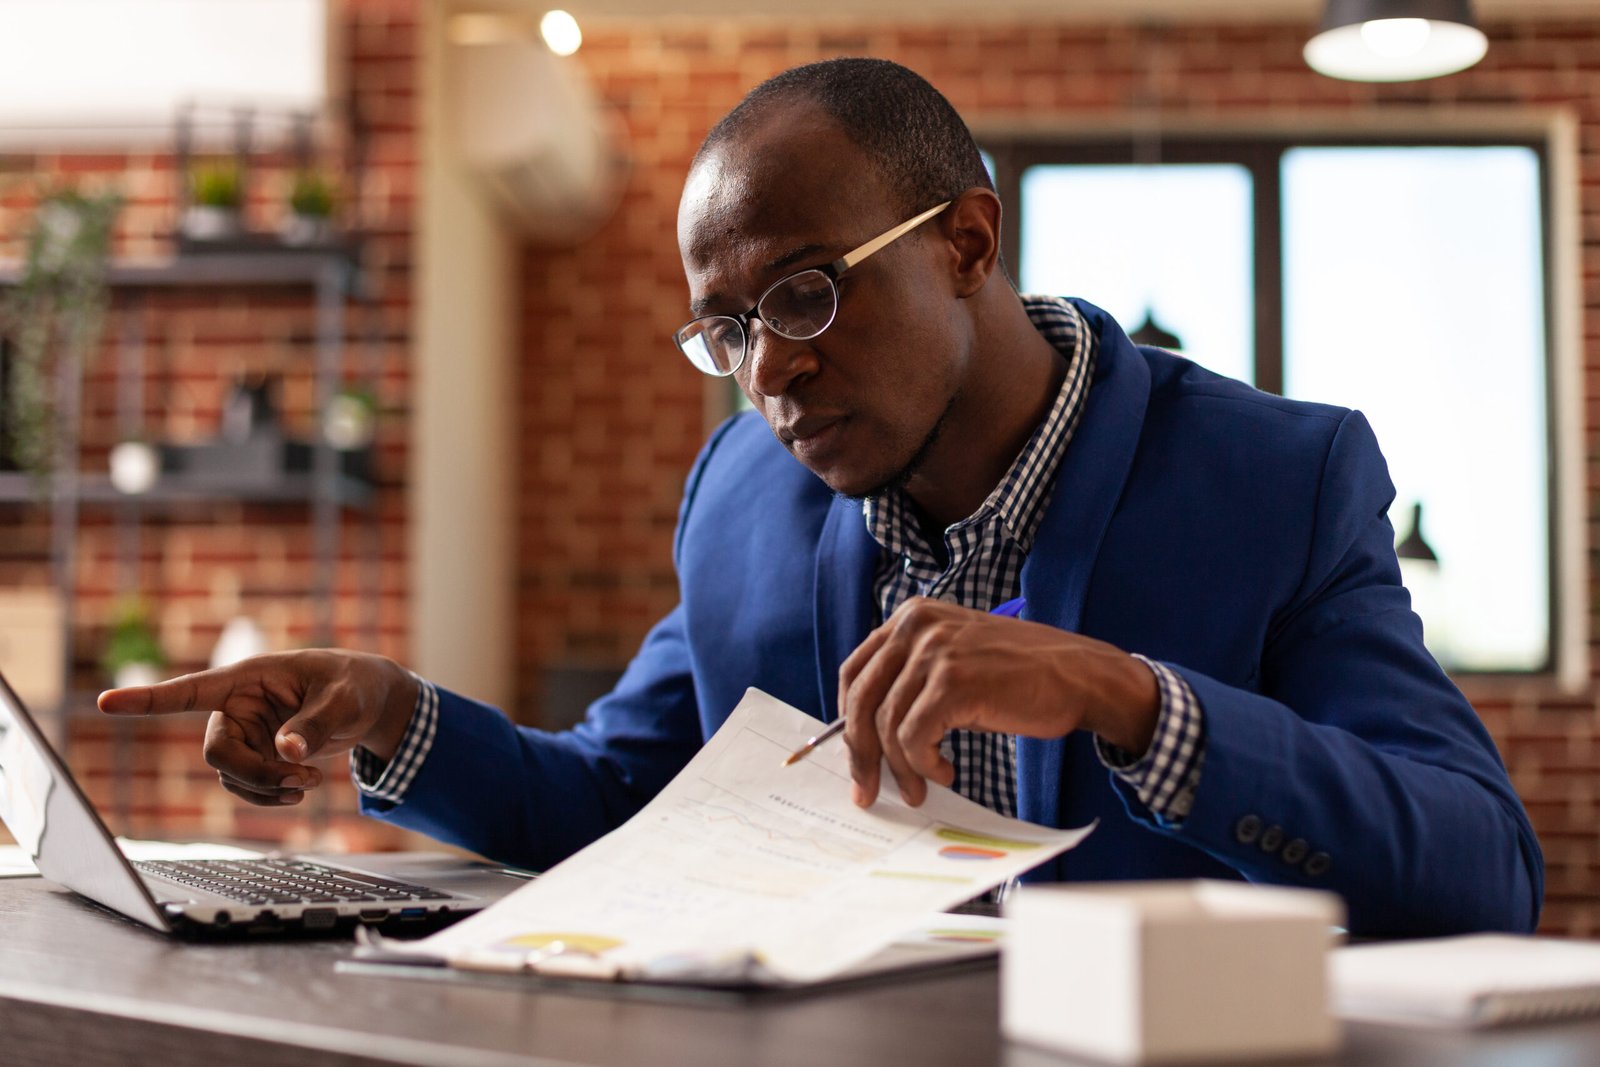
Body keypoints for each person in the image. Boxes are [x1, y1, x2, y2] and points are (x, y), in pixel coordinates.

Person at [100, 58, 1542, 937]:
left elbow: (1485, 871)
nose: (768, 376)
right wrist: (393, 713)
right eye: (725, 332)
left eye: (804, 295)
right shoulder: (742, 496)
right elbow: (622, 797)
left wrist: (1126, 699)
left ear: (968, 241)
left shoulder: (1275, 480)